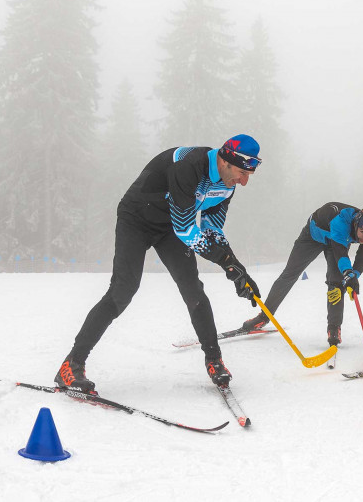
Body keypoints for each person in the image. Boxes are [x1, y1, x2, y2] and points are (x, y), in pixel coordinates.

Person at [54, 134, 263, 393]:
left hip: (170, 228)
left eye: (248, 176)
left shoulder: (227, 184)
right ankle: (72, 364)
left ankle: (214, 360)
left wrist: (237, 269)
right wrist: (227, 264)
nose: (243, 182)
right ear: (226, 160)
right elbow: (187, 230)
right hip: (136, 220)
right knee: (123, 290)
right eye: (242, 173)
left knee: (193, 289)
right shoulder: (189, 165)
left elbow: (212, 232)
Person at [241, 203, 363, 346]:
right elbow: (340, 253)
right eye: (362, 232)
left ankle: (334, 328)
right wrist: (348, 274)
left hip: (336, 242)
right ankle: (264, 317)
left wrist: (353, 276)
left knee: (336, 284)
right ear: (356, 224)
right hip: (312, 237)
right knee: (289, 274)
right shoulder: (341, 223)